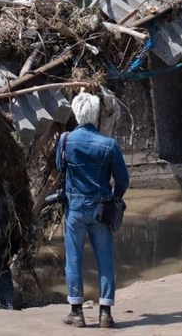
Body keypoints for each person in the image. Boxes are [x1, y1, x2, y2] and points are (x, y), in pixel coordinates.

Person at [56, 91, 129, 328]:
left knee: (74, 260)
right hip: (101, 209)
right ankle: (105, 313)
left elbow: (60, 167)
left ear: (76, 114)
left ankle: (76, 313)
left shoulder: (65, 140)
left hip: (74, 210)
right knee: (105, 260)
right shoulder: (109, 144)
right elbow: (123, 181)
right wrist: (114, 199)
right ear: (96, 114)